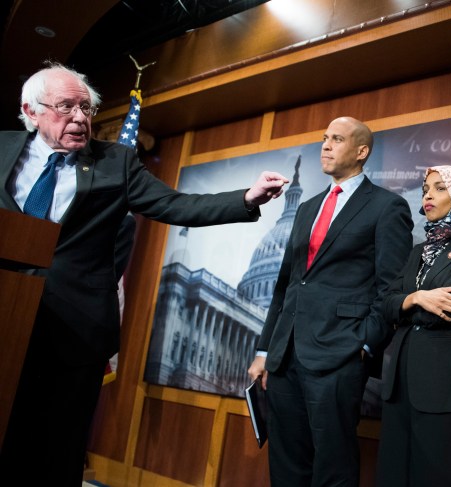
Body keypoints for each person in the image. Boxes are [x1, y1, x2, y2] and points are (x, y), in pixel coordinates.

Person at [0, 62, 289, 484]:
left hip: (74, 332)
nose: (80, 118)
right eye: (66, 107)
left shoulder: (115, 163)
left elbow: (178, 205)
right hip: (7, 319)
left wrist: (247, 197)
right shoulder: (3, 149)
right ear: (32, 110)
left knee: (55, 450)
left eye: (86, 108)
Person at [247, 116, 413, 487]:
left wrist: (364, 345)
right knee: (286, 463)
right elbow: (286, 284)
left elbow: (390, 290)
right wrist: (264, 350)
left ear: (361, 151)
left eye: (336, 139)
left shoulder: (387, 207)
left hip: (339, 355)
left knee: (332, 468)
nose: (325, 145)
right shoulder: (308, 207)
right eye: (324, 138)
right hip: (285, 355)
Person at [376, 165, 451, 487]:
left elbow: (442, 311)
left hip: (444, 389)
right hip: (400, 387)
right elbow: (386, 305)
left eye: (440, 188)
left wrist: (407, 303)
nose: (428, 195)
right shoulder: (417, 252)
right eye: (426, 188)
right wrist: (416, 299)